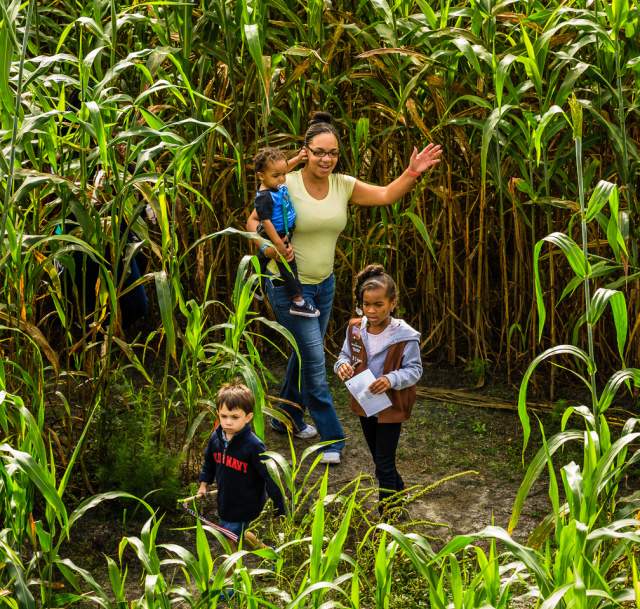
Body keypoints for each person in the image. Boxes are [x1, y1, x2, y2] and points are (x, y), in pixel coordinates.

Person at [247, 111, 441, 465]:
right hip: (290, 286)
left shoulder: (342, 185)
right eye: (319, 151)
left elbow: (384, 195)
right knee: (316, 360)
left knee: (304, 354)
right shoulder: (284, 182)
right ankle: (333, 439)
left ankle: (286, 414)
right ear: (305, 150)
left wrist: (412, 172)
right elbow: (253, 221)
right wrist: (267, 247)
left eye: (332, 153)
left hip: (324, 285)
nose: (326, 159)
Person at [334, 264, 422, 508]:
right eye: (366, 304)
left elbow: (415, 370)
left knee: (383, 461)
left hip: (391, 406)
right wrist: (341, 366)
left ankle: (387, 514)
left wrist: (390, 379)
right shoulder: (354, 328)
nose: (371, 311)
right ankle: (399, 489)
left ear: (392, 303)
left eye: (378, 305)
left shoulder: (405, 335)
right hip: (366, 402)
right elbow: (343, 355)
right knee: (379, 456)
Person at [197, 382, 286, 538]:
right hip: (225, 503)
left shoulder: (253, 446)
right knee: (232, 536)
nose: (228, 421)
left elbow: (270, 476)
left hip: (248, 507)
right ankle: (237, 556)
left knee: (239, 537)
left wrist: (280, 509)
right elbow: (209, 463)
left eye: (235, 417)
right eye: (224, 416)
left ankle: (245, 556)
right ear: (218, 413)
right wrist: (204, 484)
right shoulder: (215, 439)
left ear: (248, 417)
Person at [254, 147, 319, 317]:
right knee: (289, 265)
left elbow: (283, 169)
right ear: (261, 176)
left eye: (283, 174)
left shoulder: (276, 182)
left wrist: (297, 159)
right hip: (276, 233)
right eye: (276, 176)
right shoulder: (264, 197)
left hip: (282, 231)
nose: (282, 179)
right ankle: (298, 301)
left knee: (262, 258)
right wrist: (278, 244)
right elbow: (265, 221)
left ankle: (254, 283)